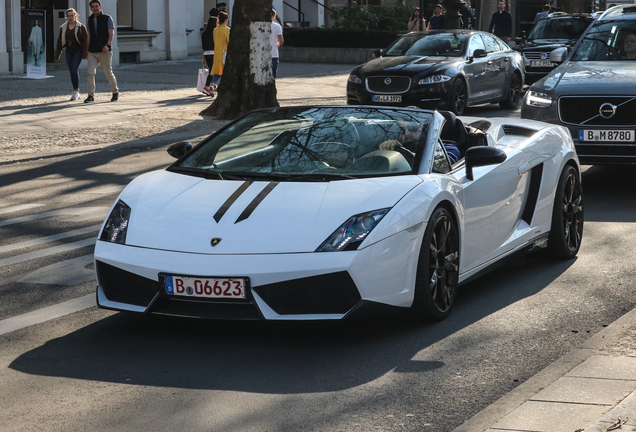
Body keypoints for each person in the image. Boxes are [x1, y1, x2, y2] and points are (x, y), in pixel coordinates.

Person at [85, 0, 119, 103]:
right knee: (90, 73)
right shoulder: (90, 19)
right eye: (93, 7)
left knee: (108, 72)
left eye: (97, 6)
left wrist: (107, 45)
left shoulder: (107, 18)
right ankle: (90, 95)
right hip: (92, 51)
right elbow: (89, 35)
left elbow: (111, 33)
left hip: (104, 50)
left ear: (100, 6)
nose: (95, 8)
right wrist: (86, 50)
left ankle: (115, 91)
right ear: (90, 8)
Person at [54, 8, 89, 101]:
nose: (70, 17)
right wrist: (58, 53)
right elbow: (60, 40)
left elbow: (85, 41)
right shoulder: (63, 27)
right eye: (68, 16)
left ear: (75, 16)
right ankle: (75, 91)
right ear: (66, 17)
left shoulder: (81, 27)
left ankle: (76, 91)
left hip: (78, 49)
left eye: (72, 15)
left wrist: (85, 53)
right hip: (69, 49)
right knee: (71, 70)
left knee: (74, 68)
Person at [211, 11, 230, 90]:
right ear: (226, 20)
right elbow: (229, 42)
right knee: (226, 71)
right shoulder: (227, 30)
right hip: (224, 53)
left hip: (217, 53)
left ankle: (212, 84)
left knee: (218, 72)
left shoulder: (215, 30)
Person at [201, 8, 218, 96]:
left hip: (207, 54)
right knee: (213, 72)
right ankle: (207, 86)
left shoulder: (204, 33)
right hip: (214, 53)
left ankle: (213, 87)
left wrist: (203, 58)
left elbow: (203, 47)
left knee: (212, 70)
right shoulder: (215, 32)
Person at [271, 9, 284, 78]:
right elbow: (281, 40)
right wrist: (278, 44)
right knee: (273, 75)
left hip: (263, 54)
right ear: (274, 16)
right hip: (274, 54)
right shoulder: (277, 26)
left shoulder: (260, 25)